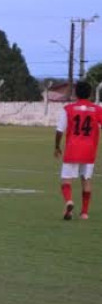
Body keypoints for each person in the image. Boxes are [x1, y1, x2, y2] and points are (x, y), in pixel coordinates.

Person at [55, 81, 102, 220]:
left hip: (72, 150)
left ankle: (69, 201)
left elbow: (59, 130)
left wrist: (57, 146)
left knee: (66, 181)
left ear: (75, 93)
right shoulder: (98, 110)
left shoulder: (68, 109)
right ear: (91, 94)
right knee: (86, 180)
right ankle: (84, 213)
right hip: (89, 151)